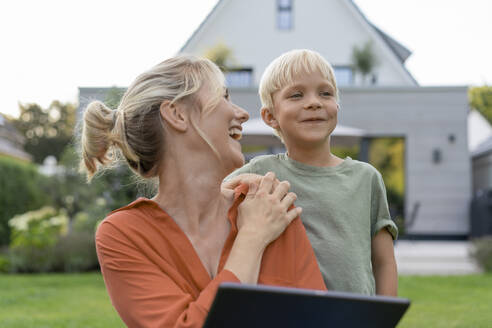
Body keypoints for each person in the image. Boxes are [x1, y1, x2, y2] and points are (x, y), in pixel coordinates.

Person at [79, 54, 326, 328]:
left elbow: (317, 319)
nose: (242, 113)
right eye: (223, 96)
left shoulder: (272, 205)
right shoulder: (124, 235)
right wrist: (253, 237)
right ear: (177, 114)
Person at [226, 49, 398, 296]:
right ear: (270, 116)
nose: (314, 102)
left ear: (336, 105)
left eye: (325, 93)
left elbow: (384, 262)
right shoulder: (260, 172)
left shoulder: (367, 178)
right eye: (296, 95)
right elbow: (207, 204)